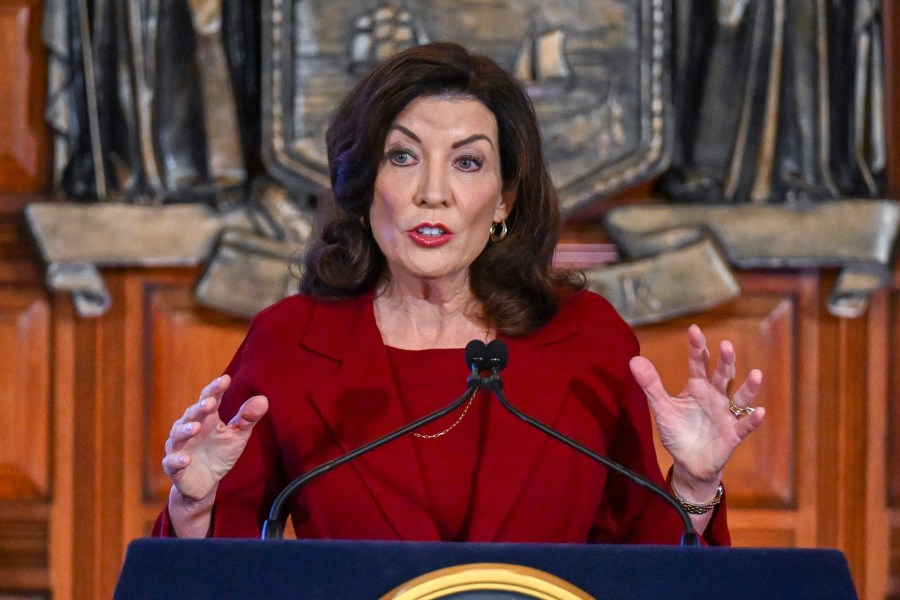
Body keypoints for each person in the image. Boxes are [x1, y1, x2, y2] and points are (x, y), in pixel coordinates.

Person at [153, 41, 765, 543]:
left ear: (504, 199)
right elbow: (217, 573)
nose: (433, 192)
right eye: (402, 157)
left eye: (467, 163)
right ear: (365, 188)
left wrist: (692, 483)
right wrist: (192, 506)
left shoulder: (587, 343)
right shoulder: (291, 343)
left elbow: (645, 568)